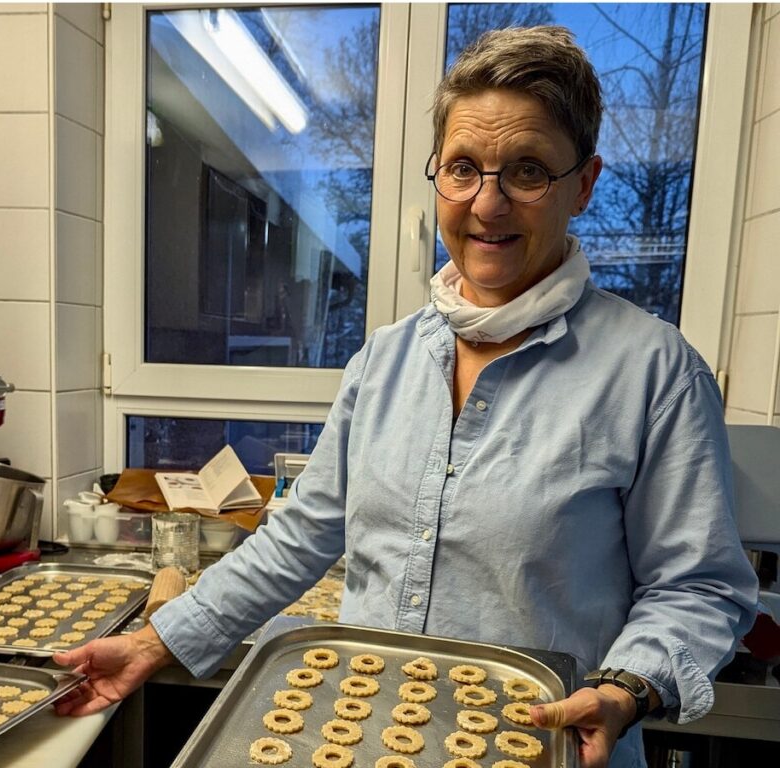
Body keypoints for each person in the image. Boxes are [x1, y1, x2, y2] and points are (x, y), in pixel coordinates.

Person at [53, 26, 758, 768]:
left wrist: (627, 685)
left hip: (546, 749)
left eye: (527, 171)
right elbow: (300, 538)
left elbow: (699, 587)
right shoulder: (385, 360)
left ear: (583, 184)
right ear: (438, 179)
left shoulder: (655, 373)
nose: (487, 203)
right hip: (365, 744)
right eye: (463, 168)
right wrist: (154, 642)